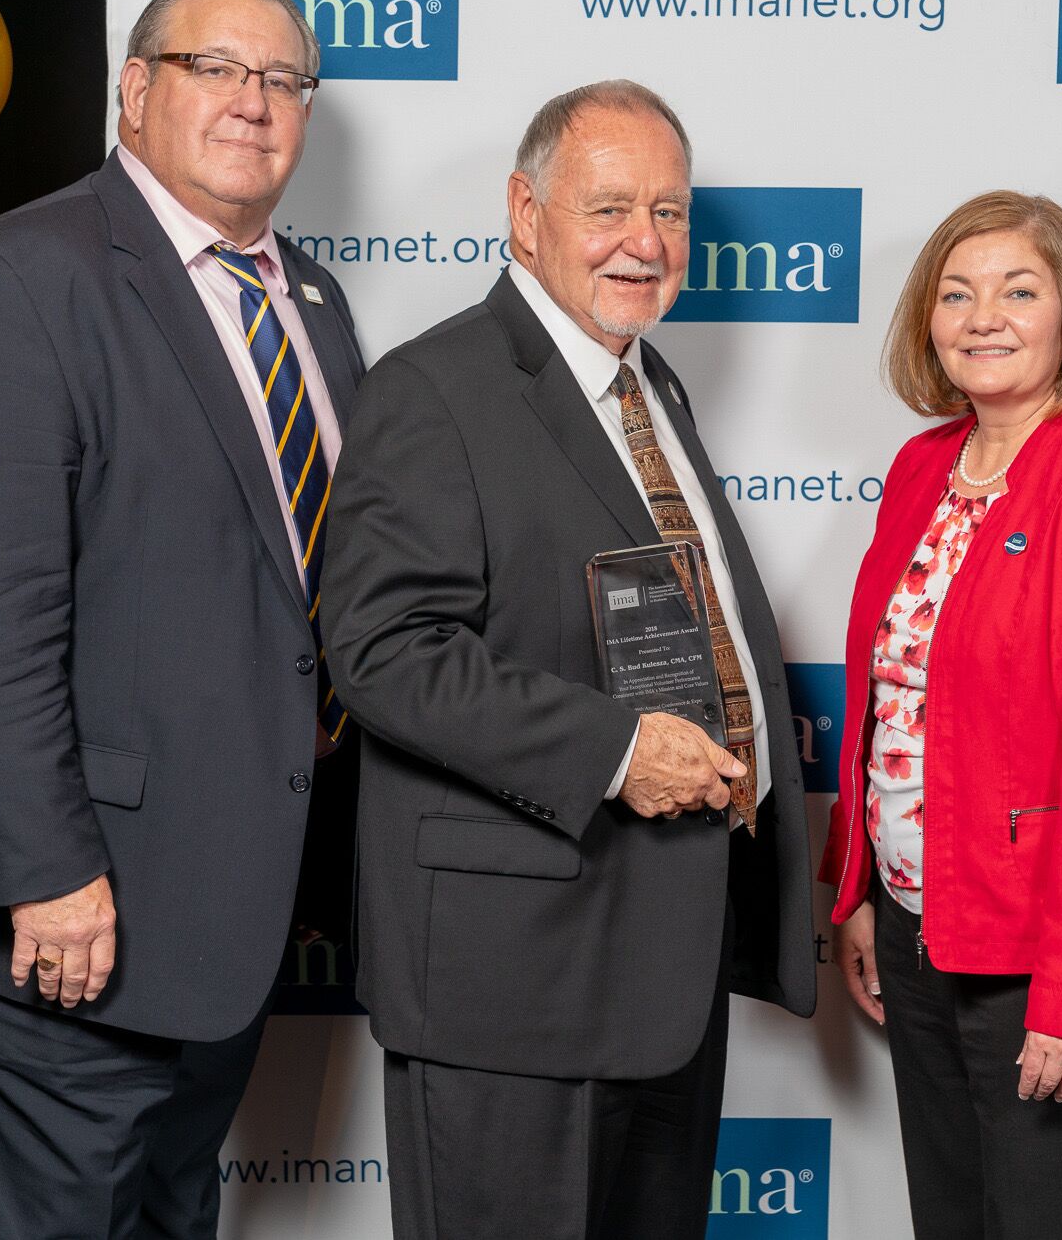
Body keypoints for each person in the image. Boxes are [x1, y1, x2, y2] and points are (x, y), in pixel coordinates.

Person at [0, 0, 364, 1238]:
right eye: (217, 69)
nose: (253, 103)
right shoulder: (14, 280)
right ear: (134, 90)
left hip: (218, 924)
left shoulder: (310, 303)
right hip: (64, 927)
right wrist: (45, 872)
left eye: (283, 80)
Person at [321, 79, 816, 1240]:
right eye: (608, 210)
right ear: (522, 212)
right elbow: (384, 651)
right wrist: (614, 750)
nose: (644, 243)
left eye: (669, 212)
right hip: (514, 981)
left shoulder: (648, 382)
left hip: (661, 960)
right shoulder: (433, 388)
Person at [819, 190, 1062, 1239]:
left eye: (1016, 290)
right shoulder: (918, 473)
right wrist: (859, 890)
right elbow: (881, 709)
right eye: (955, 293)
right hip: (917, 926)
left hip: (1050, 952)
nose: (981, 315)